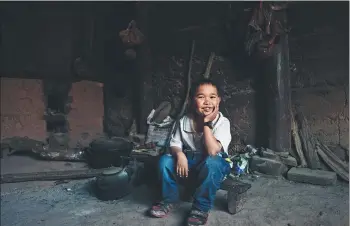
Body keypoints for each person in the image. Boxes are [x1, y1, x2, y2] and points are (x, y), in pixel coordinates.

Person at [149, 79, 232, 225]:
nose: (207, 102)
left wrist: (207, 122)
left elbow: (213, 151)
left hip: (213, 164)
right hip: (191, 160)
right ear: (192, 100)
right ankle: (169, 199)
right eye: (201, 97)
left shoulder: (222, 122)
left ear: (218, 100)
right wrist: (180, 154)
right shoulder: (183, 121)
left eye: (212, 97)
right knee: (165, 161)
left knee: (213, 163)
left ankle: (201, 208)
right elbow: (174, 144)